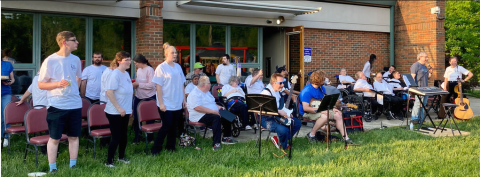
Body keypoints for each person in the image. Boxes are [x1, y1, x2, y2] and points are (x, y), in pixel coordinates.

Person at [37, 31, 82, 173]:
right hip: (57, 105)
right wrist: (58, 84)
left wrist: (74, 90)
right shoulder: (50, 60)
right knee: (55, 138)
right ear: (64, 42)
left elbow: (78, 78)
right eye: (74, 40)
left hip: (75, 104)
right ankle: (53, 168)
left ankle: (73, 166)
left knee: (74, 136)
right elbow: (41, 84)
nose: (77, 42)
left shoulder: (76, 59)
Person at [151, 43, 186, 155]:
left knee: (174, 126)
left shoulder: (178, 67)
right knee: (166, 125)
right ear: (166, 54)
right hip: (166, 102)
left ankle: (170, 147)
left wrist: (184, 100)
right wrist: (161, 103)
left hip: (177, 102)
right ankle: (156, 149)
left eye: (176, 52)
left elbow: (181, 84)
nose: (175, 54)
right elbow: (158, 87)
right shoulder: (161, 68)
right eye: (172, 52)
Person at [300, 70, 353, 144]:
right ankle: (311, 134)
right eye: (323, 78)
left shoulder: (321, 88)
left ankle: (346, 138)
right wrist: (322, 110)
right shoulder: (307, 91)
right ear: (319, 79)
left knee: (338, 114)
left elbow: (322, 102)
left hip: (319, 109)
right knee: (325, 116)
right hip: (307, 112)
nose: (325, 79)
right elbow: (305, 108)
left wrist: (332, 108)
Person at [187, 76, 238, 150]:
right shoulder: (195, 93)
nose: (211, 84)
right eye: (209, 83)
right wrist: (213, 111)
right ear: (204, 85)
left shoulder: (207, 92)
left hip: (210, 112)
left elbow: (212, 103)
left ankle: (226, 137)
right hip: (199, 115)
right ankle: (216, 143)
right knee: (216, 118)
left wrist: (218, 107)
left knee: (226, 114)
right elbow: (198, 108)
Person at [104, 51, 133, 167]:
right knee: (116, 136)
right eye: (127, 60)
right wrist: (119, 108)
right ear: (119, 61)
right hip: (114, 111)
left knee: (124, 135)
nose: (129, 62)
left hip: (125, 111)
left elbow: (128, 93)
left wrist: (128, 109)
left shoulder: (126, 74)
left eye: (130, 60)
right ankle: (109, 161)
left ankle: (121, 157)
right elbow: (109, 92)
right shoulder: (115, 74)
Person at [260, 73, 301, 150]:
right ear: (273, 83)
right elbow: (262, 110)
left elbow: (287, 93)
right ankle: (284, 146)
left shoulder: (278, 88)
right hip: (266, 119)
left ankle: (281, 140)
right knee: (283, 130)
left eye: (283, 83)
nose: (282, 85)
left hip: (277, 116)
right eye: (281, 83)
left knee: (297, 123)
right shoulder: (266, 93)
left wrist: (286, 113)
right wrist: (279, 112)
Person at [131, 54, 156, 144]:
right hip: (138, 96)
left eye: (136, 63)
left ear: (140, 62)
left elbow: (151, 85)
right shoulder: (138, 70)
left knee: (150, 118)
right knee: (136, 117)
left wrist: (138, 84)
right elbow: (138, 83)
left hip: (149, 97)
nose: (135, 65)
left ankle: (150, 138)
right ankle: (137, 137)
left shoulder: (150, 70)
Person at [410, 51, 432, 124]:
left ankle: (421, 118)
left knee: (423, 104)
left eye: (427, 57)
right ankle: (414, 118)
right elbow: (412, 77)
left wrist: (431, 72)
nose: (427, 58)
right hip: (419, 88)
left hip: (425, 88)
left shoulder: (425, 66)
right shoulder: (416, 65)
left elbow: (428, 77)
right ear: (420, 57)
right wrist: (413, 88)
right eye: (425, 57)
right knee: (418, 103)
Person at [1, 60, 15, 147]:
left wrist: (10, 81)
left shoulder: (7, 64)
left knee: (6, 115)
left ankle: (5, 137)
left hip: (5, 93)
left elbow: (12, 79)